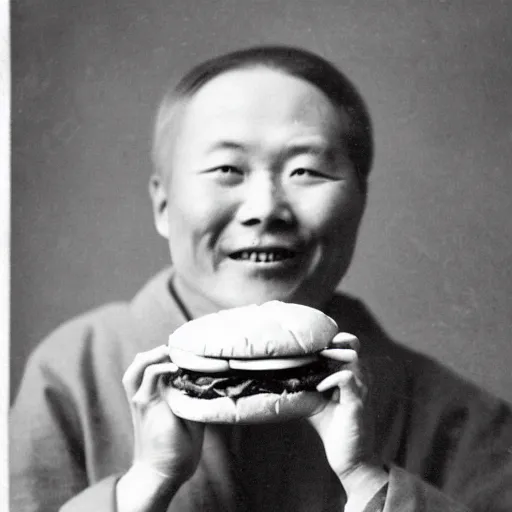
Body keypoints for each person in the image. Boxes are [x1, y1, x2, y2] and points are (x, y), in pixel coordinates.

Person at [10, 45, 512, 512]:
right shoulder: (72, 371)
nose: (266, 209)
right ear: (163, 203)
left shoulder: (459, 416)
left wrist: (367, 480)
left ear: (360, 200)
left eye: (306, 172)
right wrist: (147, 481)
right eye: (228, 169)